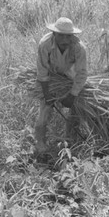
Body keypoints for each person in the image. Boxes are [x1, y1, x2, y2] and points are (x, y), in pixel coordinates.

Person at [35, 17, 88, 153]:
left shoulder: (79, 47)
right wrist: (47, 95)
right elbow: (42, 71)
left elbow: (81, 73)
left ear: (72, 36)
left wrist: (72, 95)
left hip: (70, 74)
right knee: (44, 109)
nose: (65, 40)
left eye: (68, 36)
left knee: (76, 106)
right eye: (61, 36)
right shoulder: (45, 44)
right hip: (51, 75)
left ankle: (70, 140)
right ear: (54, 34)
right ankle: (40, 144)